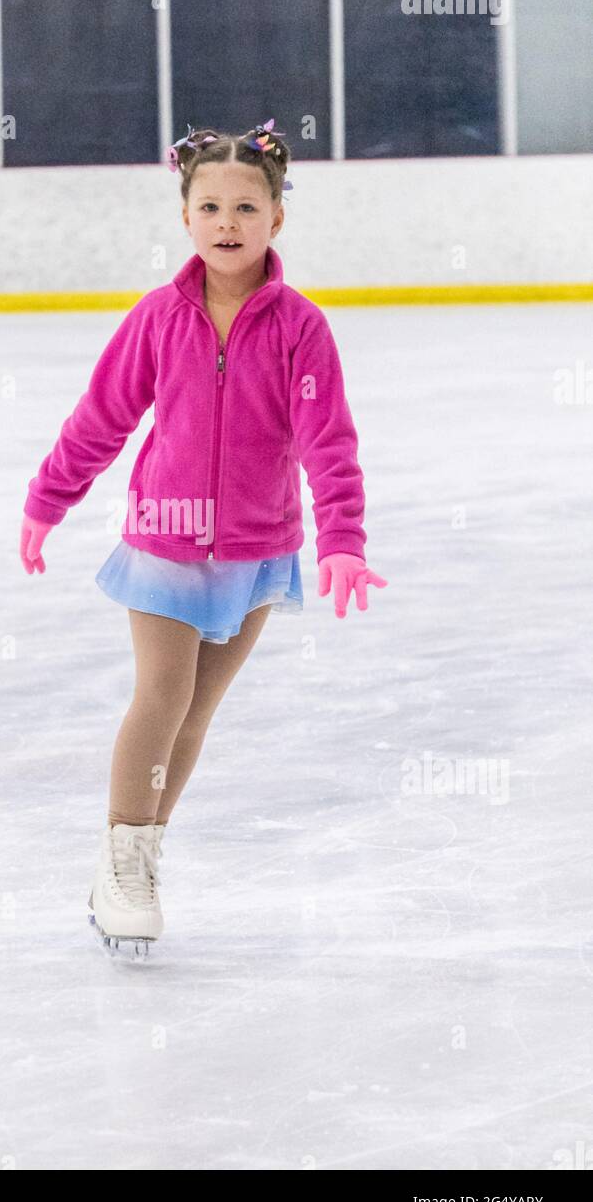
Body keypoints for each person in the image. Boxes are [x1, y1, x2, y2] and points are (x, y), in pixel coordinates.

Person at [20, 119, 387, 955]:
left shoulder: (302, 328)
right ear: (185, 216)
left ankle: (141, 855)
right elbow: (101, 419)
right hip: (165, 539)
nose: (228, 221)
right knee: (162, 695)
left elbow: (329, 440)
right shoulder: (157, 320)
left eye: (246, 207)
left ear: (276, 219)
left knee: (196, 711)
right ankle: (121, 858)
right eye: (211, 205)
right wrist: (49, 499)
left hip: (259, 546)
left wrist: (343, 540)